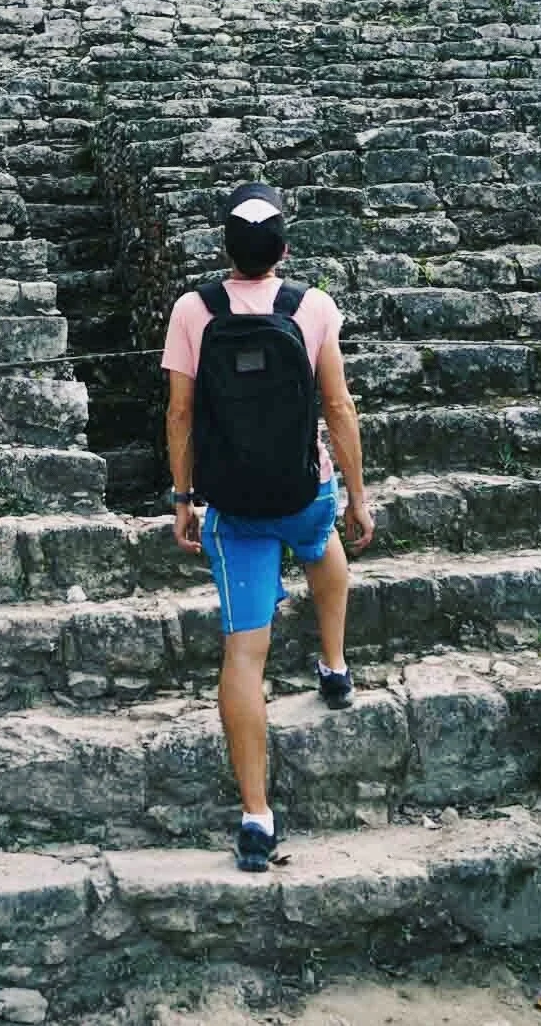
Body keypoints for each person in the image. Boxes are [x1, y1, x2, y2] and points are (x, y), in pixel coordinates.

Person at [161, 180, 374, 871]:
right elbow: (338, 408)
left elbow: (182, 414)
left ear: (226, 248)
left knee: (244, 653)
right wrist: (359, 494)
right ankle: (335, 666)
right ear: (283, 248)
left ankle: (257, 818)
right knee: (321, 543)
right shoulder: (311, 306)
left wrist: (183, 496)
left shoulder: (194, 309)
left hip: (234, 507)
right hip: (303, 487)